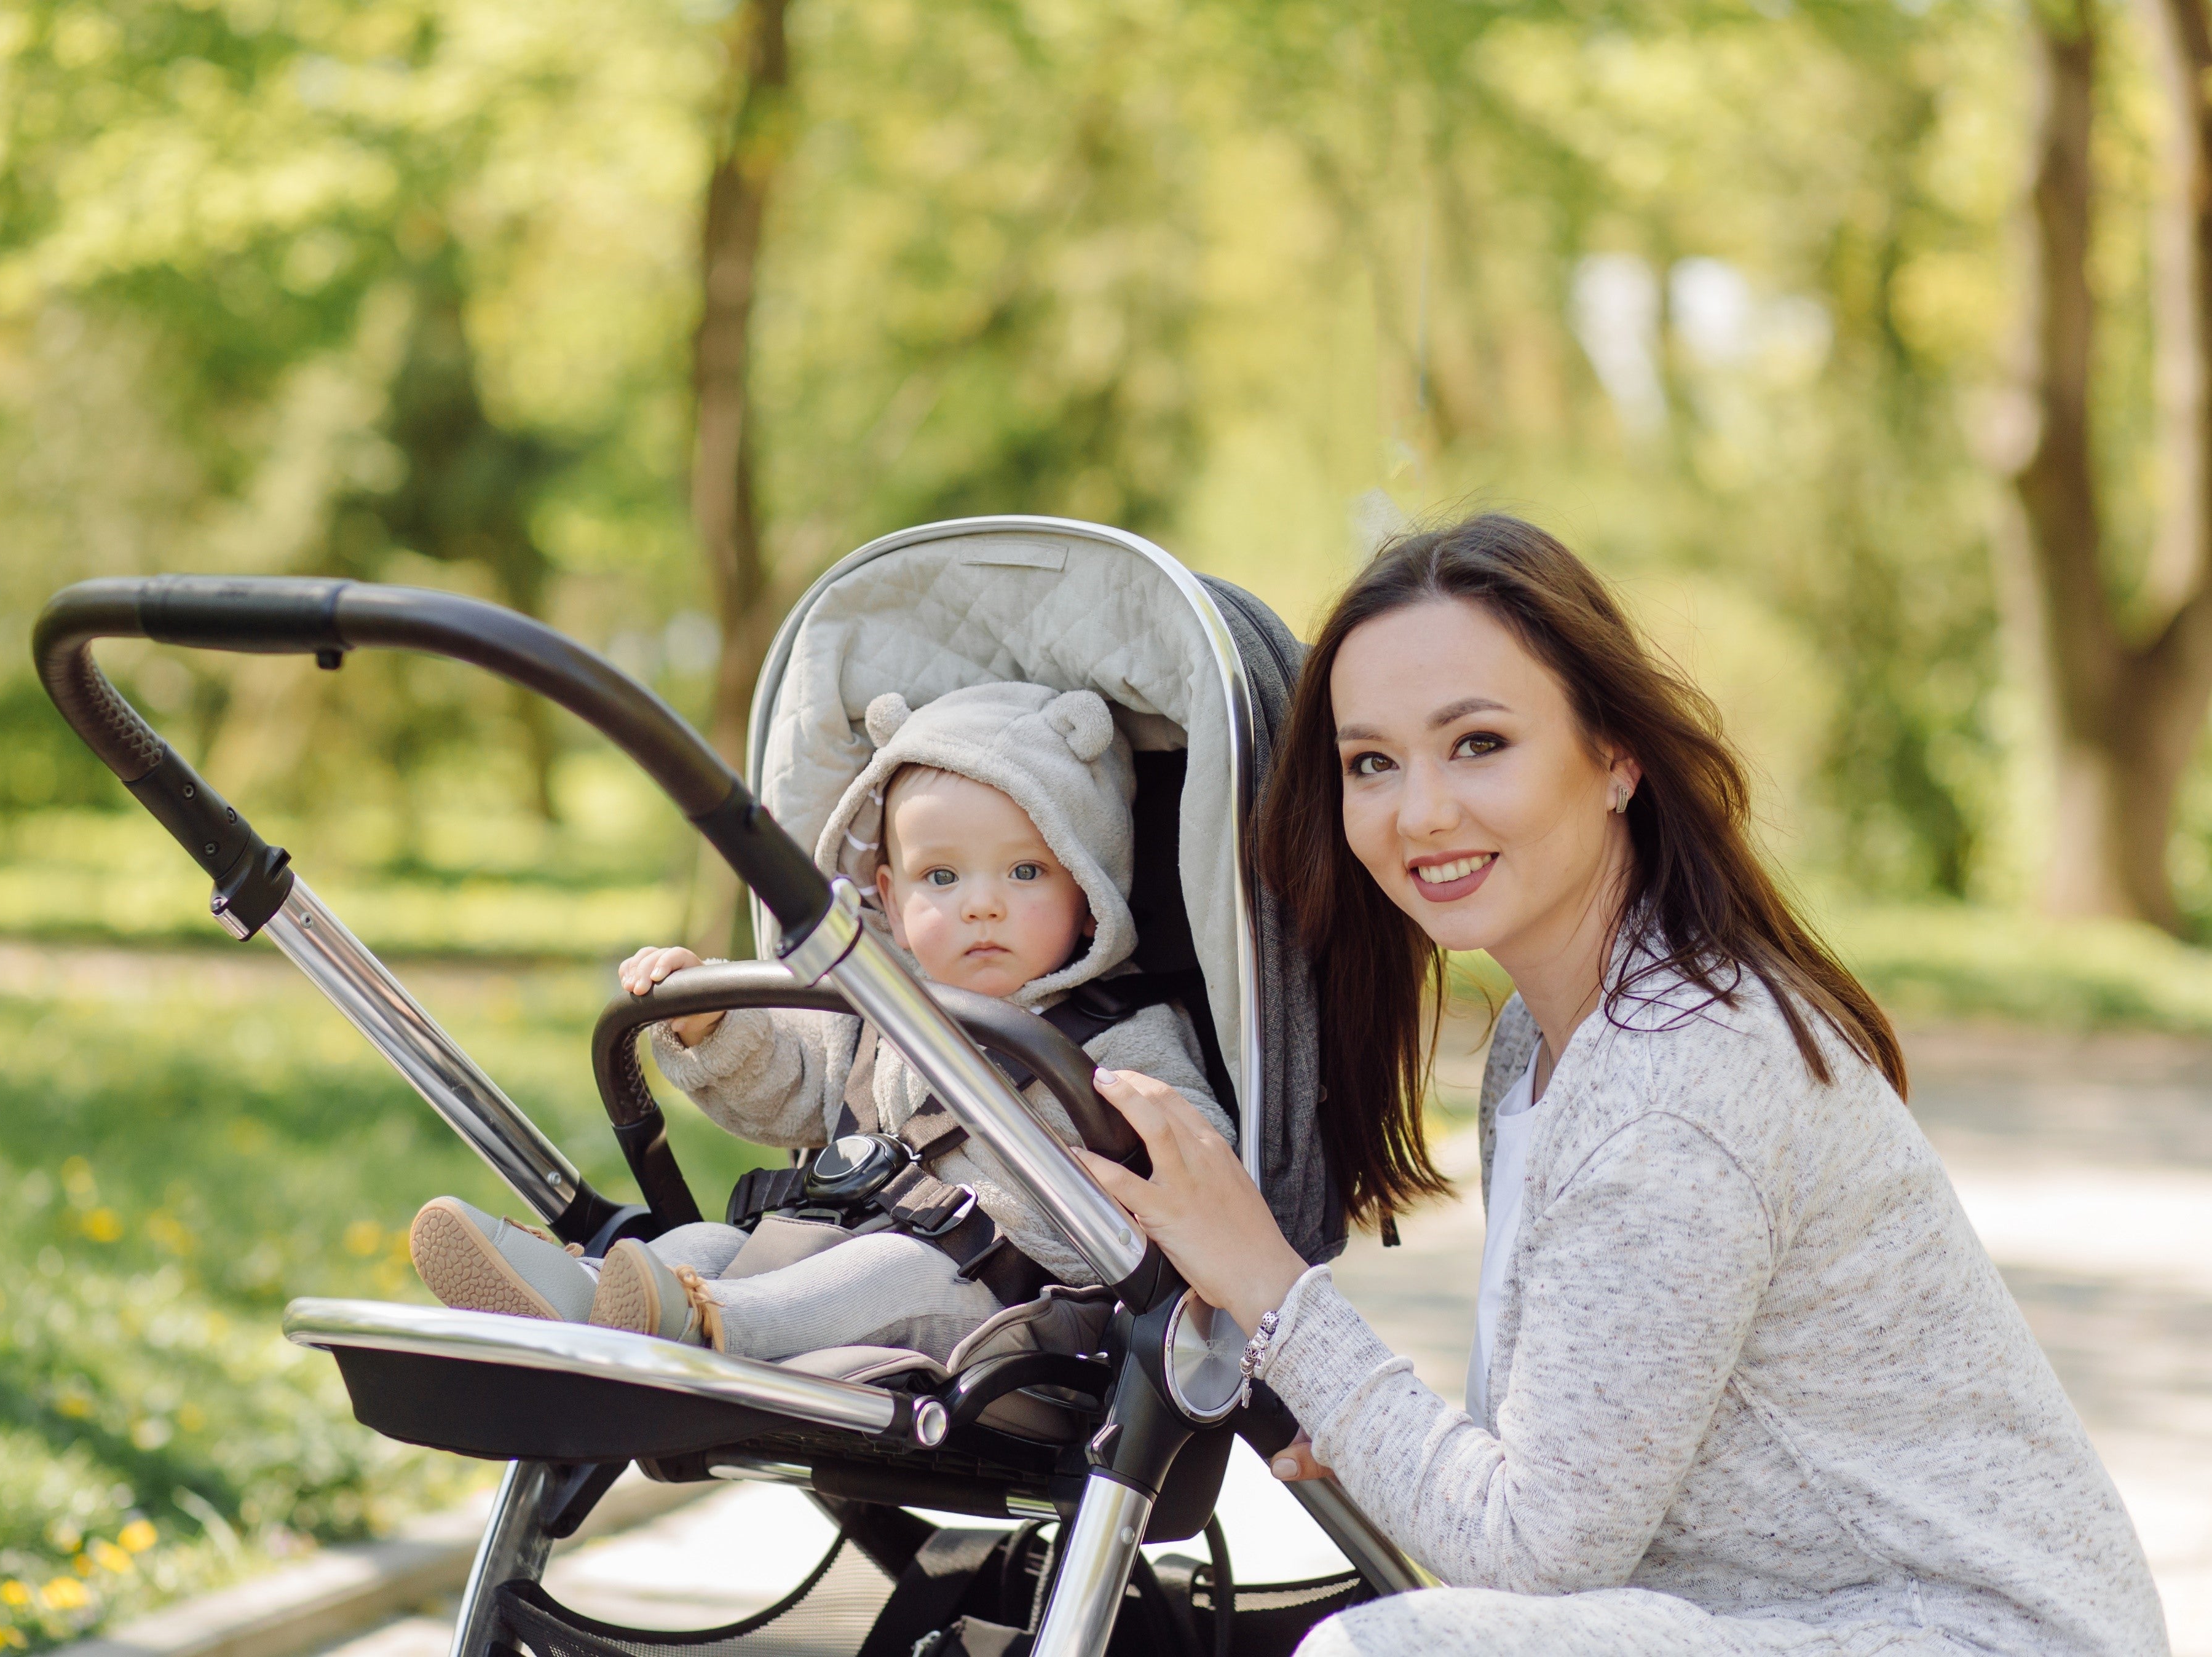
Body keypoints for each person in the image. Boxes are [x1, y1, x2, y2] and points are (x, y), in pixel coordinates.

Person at [1076, 516, 2168, 1656]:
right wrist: (1376, 1432)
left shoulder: (1676, 1087)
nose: (1422, 812)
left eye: (1480, 743)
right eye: (1372, 763)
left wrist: (1268, 1283)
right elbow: (1558, 1497)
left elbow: (1534, 1554)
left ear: (1616, 758)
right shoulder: (1542, 1051)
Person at [408, 680, 1228, 1363]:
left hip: (1008, 1297)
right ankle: (584, 1303)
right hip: (826, 1240)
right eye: (940, 876)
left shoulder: (1120, 1034)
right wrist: (715, 1024)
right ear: (892, 904)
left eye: (1024, 871)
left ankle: (695, 1322)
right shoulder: (875, 1015)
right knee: (703, 1249)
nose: (981, 903)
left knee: (883, 1268)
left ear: (1089, 895)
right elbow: (787, 1085)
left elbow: (1204, 1162)